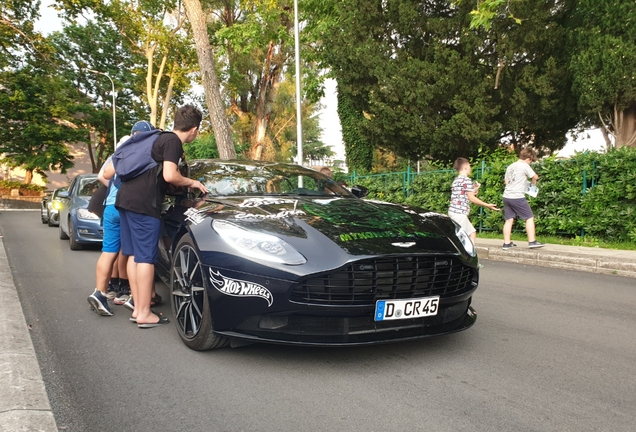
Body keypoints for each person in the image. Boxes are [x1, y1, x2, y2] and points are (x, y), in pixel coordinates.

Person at [103, 106, 208, 328]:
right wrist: (193, 183)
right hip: (144, 204)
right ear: (194, 129)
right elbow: (171, 175)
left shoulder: (156, 138)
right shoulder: (172, 142)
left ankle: (137, 308)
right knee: (146, 258)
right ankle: (144, 313)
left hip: (124, 200)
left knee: (132, 255)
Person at [448, 157, 499, 244]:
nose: (470, 168)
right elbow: (471, 198)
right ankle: (470, 255)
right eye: (469, 166)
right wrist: (487, 205)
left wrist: (474, 190)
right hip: (459, 213)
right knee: (471, 233)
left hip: (453, 211)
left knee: (460, 236)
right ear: (465, 167)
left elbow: (462, 195)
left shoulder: (456, 180)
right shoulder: (466, 180)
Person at [502, 148, 545, 250]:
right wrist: (533, 186)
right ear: (529, 159)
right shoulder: (524, 165)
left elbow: (506, 182)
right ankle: (532, 241)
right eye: (531, 161)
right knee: (529, 217)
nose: (530, 163)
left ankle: (506, 243)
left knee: (509, 220)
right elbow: (535, 177)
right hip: (517, 196)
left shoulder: (510, 166)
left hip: (506, 196)